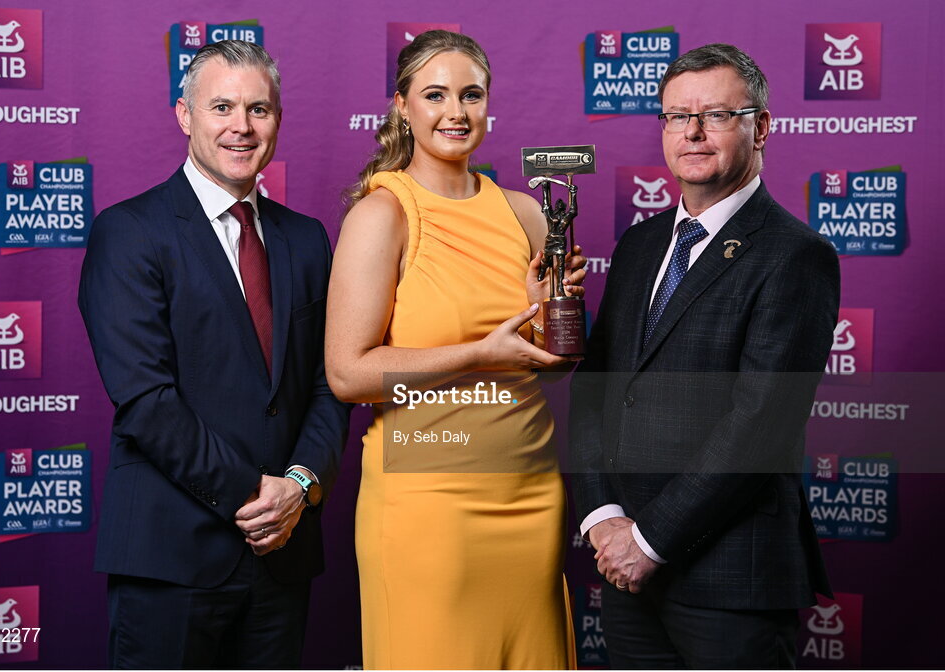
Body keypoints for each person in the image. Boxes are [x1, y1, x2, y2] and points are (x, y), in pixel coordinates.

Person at [78, 40, 349, 668]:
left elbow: (329, 382)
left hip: (283, 557)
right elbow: (146, 400)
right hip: (171, 556)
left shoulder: (306, 240)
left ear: (278, 120)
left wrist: (300, 487)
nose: (241, 126)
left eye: (259, 109)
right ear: (184, 115)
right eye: (221, 106)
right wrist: (258, 496)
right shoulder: (129, 232)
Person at [570, 43, 840, 668]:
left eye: (716, 115)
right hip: (625, 570)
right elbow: (595, 386)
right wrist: (604, 517)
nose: (691, 132)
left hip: (729, 580)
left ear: (760, 126)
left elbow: (759, 424)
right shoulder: (639, 244)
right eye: (675, 116)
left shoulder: (794, 255)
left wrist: (650, 541)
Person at [325, 30, 581, 670]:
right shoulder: (383, 214)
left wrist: (552, 316)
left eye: (471, 94)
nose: (456, 112)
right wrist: (478, 352)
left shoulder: (525, 214)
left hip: (530, 494)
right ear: (402, 108)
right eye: (435, 95)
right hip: (429, 505)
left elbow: (554, 365)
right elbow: (348, 374)